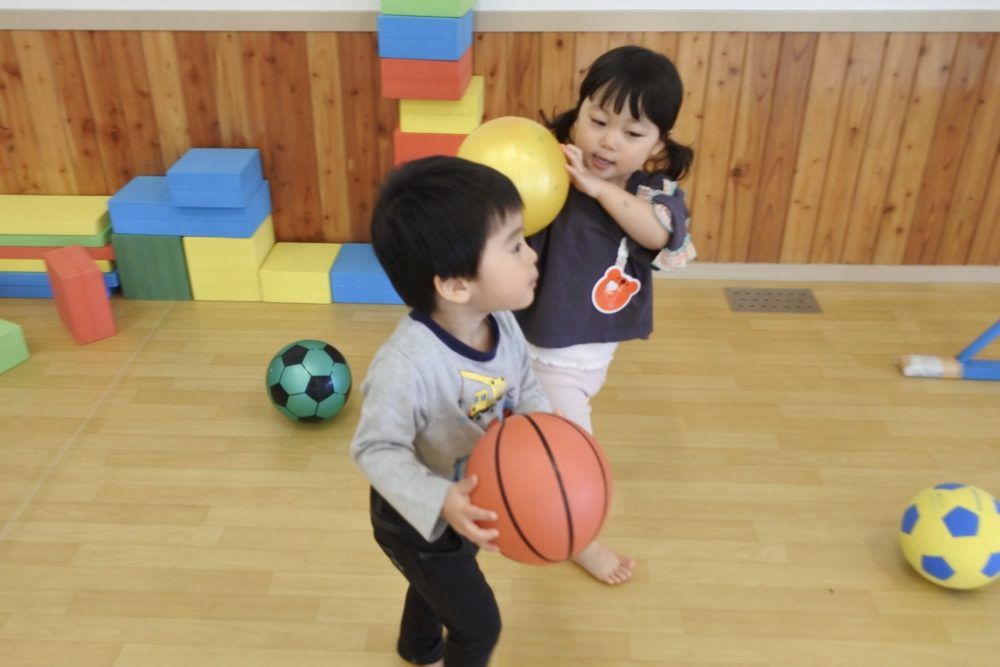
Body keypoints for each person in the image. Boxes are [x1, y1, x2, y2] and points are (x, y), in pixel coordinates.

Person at [351, 156, 552, 667]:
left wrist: (545, 436)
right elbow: (374, 448)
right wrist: (439, 499)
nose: (532, 255)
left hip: (471, 497)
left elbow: (526, 386)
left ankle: (417, 650)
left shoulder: (501, 322)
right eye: (514, 245)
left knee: (434, 590)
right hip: (413, 518)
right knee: (479, 627)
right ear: (456, 285)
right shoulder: (406, 365)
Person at [515, 45, 697, 586]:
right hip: (542, 353)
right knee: (573, 455)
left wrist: (597, 189)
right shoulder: (551, 173)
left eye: (632, 133)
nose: (608, 141)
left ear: (657, 144)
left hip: (589, 358)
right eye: (597, 121)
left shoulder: (651, 195)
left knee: (530, 437)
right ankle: (580, 540)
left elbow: (659, 234)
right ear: (579, 113)